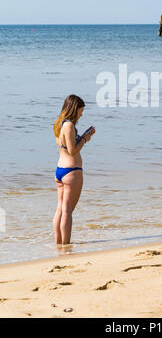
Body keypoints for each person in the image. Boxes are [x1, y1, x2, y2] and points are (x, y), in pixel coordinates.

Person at [53, 94, 96, 246]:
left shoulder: (59, 123)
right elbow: (72, 150)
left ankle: (58, 244)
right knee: (67, 211)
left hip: (60, 170)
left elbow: (66, 145)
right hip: (72, 171)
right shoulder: (69, 125)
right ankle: (66, 245)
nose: (81, 114)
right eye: (81, 110)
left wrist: (83, 136)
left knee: (60, 209)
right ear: (74, 109)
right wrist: (86, 138)